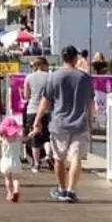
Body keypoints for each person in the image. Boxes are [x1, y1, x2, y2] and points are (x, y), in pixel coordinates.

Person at [44, 44, 96, 203]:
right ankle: (71, 190)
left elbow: (46, 100)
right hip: (79, 124)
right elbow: (90, 102)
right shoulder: (85, 78)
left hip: (59, 123)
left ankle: (61, 189)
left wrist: (37, 120)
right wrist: (90, 120)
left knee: (59, 158)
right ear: (75, 58)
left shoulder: (54, 76)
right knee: (76, 158)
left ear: (62, 58)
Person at [23, 55, 54, 172]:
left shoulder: (29, 78)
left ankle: (36, 164)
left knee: (35, 138)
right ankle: (49, 155)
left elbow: (26, 96)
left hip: (32, 109)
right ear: (44, 65)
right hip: (47, 110)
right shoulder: (50, 77)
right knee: (47, 136)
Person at [0, 114, 27, 202]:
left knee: (7, 178)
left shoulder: (4, 140)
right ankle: (16, 190)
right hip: (16, 161)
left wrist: (1, 132)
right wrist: (35, 131)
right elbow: (27, 138)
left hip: (5, 162)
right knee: (16, 178)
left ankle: (9, 193)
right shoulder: (18, 139)